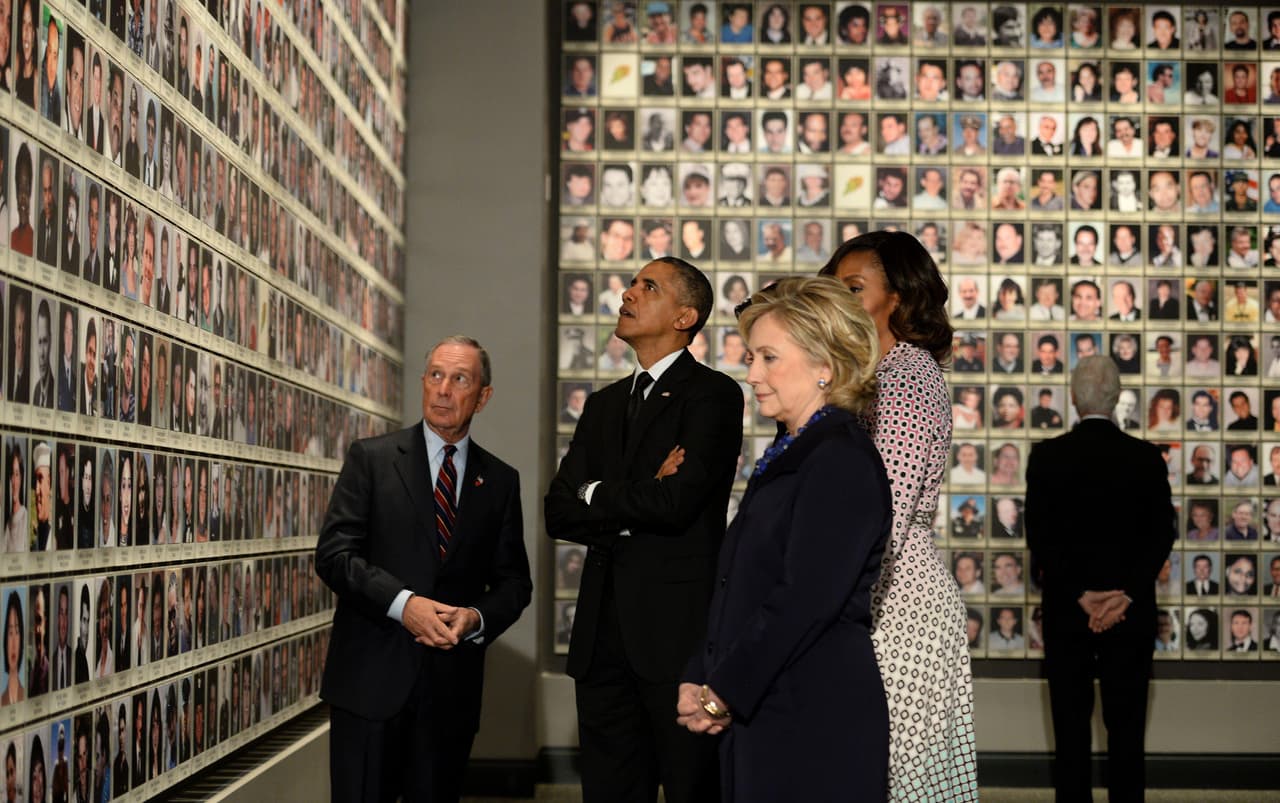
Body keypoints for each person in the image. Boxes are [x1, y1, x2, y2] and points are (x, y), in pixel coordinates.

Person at [676, 276, 893, 802]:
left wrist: (720, 692)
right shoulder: (793, 452)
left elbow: (804, 600)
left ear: (827, 366)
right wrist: (700, 673)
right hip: (768, 703)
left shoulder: (840, 459)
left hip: (814, 717)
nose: (751, 374)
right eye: (752, 357)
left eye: (769, 358)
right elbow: (740, 586)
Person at [545, 258, 742, 803]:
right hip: (601, 642)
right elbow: (557, 511)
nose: (628, 294)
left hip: (677, 642)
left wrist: (599, 493)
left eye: (647, 286)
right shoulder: (604, 404)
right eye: (632, 283)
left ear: (685, 316)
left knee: (692, 790)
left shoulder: (714, 396)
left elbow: (676, 504)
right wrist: (640, 490)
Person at [315, 335, 533, 802]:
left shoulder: (499, 481)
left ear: (483, 395)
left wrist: (475, 618)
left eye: (460, 379)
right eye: (435, 375)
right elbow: (335, 555)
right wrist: (404, 605)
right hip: (369, 686)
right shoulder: (371, 459)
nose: (443, 390)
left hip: (449, 695)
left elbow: (515, 583)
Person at [1026, 356, 1175, 803]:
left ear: (1073, 398)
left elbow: (1040, 536)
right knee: (1127, 733)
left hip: (1068, 615)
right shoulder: (1146, 458)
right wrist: (1124, 594)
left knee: (1070, 734)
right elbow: (1162, 534)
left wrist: (1081, 596)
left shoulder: (1047, 456)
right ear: (1116, 398)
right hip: (1130, 615)